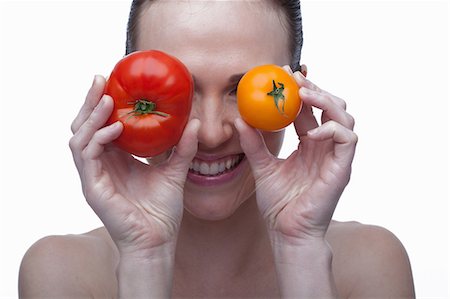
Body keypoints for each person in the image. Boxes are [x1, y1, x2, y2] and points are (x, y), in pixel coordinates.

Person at [18, 0, 415, 298]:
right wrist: (144, 257)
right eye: (180, 90)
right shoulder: (62, 274)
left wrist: (301, 251)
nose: (209, 133)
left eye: (242, 91)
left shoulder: (371, 266)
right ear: (122, 89)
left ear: (301, 93)